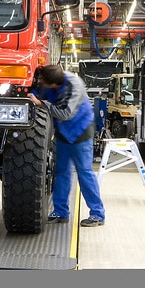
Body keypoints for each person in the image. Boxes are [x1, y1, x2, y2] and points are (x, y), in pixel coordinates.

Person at [28, 64, 105, 227]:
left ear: (53, 84)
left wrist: (41, 103)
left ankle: (98, 214)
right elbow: (37, 93)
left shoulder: (74, 85)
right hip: (63, 134)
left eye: (43, 81)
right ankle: (61, 212)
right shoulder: (49, 80)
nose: (41, 82)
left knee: (84, 172)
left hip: (80, 132)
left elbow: (64, 114)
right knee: (61, 172)